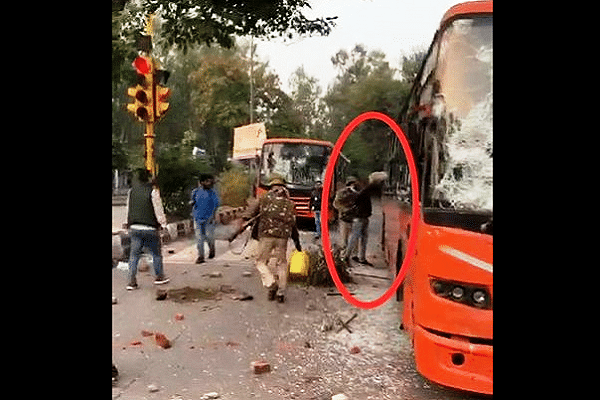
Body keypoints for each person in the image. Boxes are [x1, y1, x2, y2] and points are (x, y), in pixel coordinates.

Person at [244, 175, 301, 303]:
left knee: (260, 262)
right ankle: (280, 293)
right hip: (283, 237)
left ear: (271, 187)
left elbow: (250, 213)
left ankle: (271, 283)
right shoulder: (290, 203)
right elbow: (293, 223)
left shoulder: (263, 198)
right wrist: (297, 242)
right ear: (283, 188)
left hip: (266, 235)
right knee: (282, 264)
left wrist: (244, 222)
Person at [125, 168, 170, 290]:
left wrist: (127, 223)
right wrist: (164, 225)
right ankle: (160, 277)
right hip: (150, 228)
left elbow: (128, 208)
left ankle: (131, 282)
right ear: (148, 178)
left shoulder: (131, 191)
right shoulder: (153, 192)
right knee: (156, 254)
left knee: (134, 255)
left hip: (134, 227)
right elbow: (158, 210)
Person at [343, 172, 388, 266]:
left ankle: (360, 258)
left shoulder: (364, 190)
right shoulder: (366, 190)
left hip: (363, 217)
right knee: (356, 237)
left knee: (362, 238)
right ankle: (347, 256)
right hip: (360, 217)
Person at [190, 173, 220, 264]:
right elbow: (193, 202)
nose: (209, 183)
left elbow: (216, 205)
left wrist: (214, 216)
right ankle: (201, 256)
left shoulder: (213, 193)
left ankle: (212, 250)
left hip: (209, 219)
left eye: (210, 181)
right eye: (206, 181)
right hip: (197, 219)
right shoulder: (195, 192)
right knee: (199, 239)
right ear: (201, 182)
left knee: (209, 237)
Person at [333, 176, 360, 250]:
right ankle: (343, 256)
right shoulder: (341, 193)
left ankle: (353, 254)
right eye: (353, 183)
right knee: (344, 240)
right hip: (344, 218)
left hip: (354, 218)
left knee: (355, 239)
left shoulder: (357, 193)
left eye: (355, 183)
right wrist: (345, 209)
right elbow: (336, 204)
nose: (354, 185)